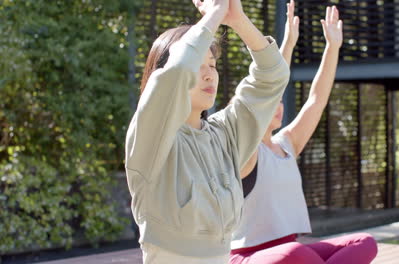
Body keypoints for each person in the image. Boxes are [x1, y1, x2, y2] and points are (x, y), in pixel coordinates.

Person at [124, 0, 290, 262]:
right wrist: (213, 16)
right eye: (198, 65)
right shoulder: (151, 136)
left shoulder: (225, 134)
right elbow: (177, 71)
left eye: (212, 65)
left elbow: (273, 77)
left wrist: (237, 20)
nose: (209, 75)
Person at [230, 2, 378, 264]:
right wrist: (286, 47)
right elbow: (268, 85)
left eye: (280, 100)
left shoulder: (287, 143)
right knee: (296, 254)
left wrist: (332, 48)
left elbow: (316, 99)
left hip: (293, 253)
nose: (278, 105)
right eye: (270, 101)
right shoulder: (247, 151)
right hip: (248, 256)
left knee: (364, 243)